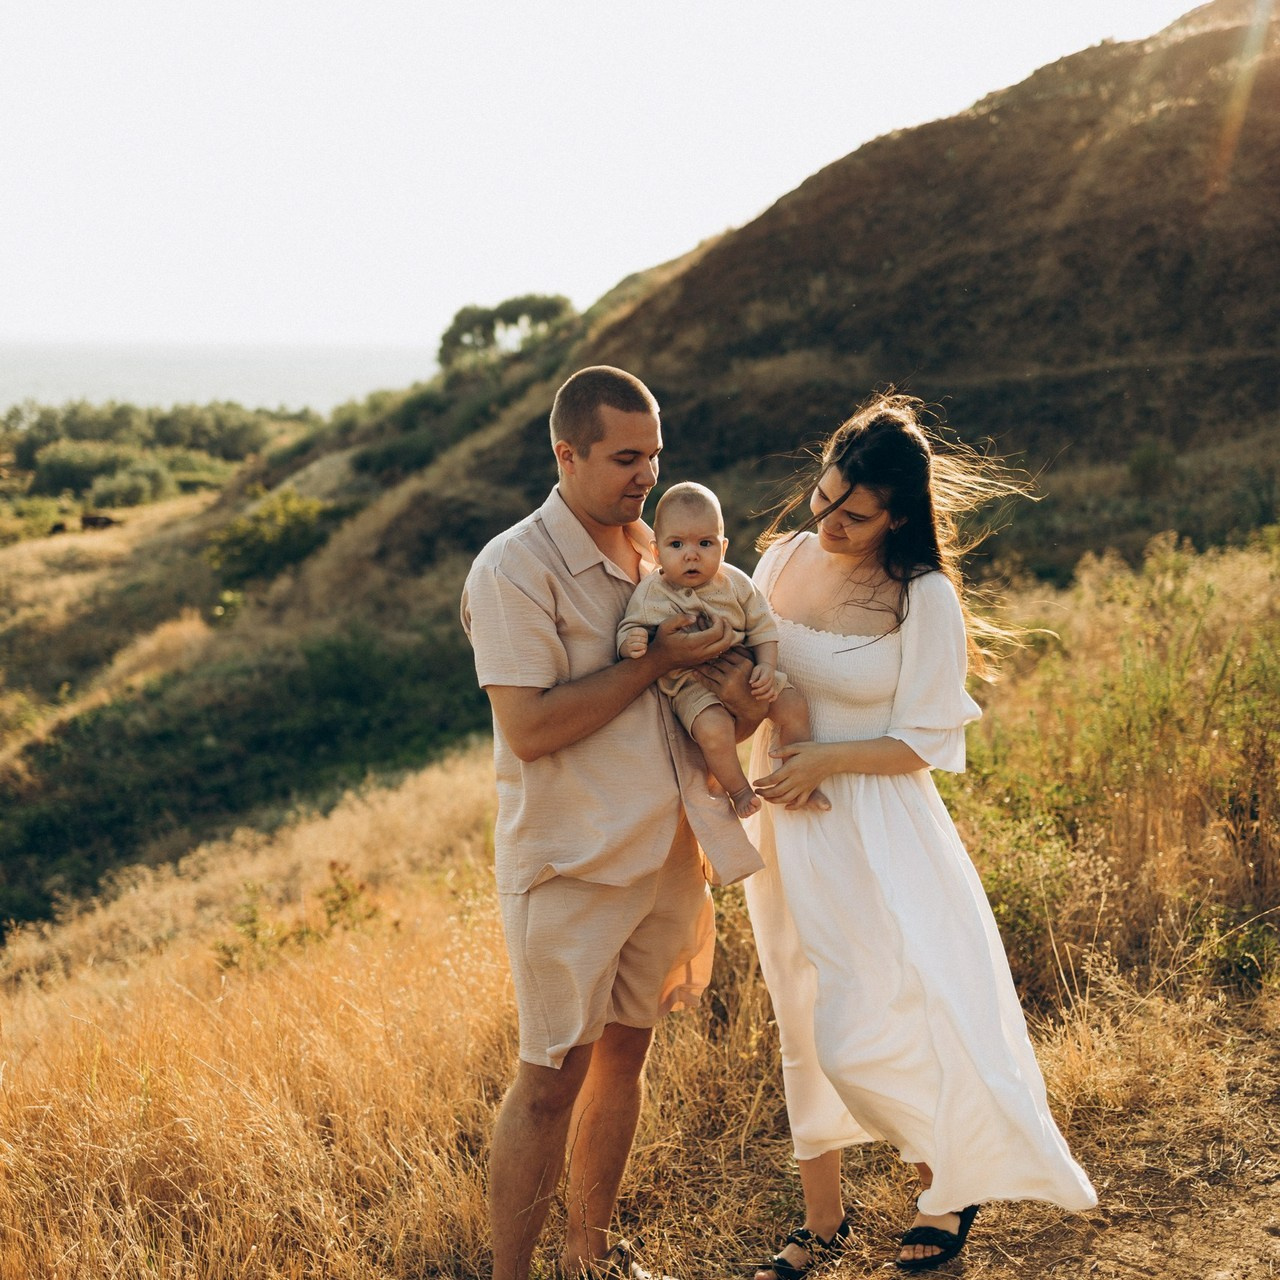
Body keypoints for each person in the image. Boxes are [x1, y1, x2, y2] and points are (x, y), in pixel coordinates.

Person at [736, 393, 1097, 1276]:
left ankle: (948, 1179)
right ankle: (822, 1218)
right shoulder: (779, 558)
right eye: (824, 498)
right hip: (785, 829)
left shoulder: (922, 596)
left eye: (855, 515)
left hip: (877, 831)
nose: (829, 521)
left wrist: (820, 759)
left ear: (897, 514)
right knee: (800, 1009)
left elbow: (926, 744)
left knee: (887, 1013)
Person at [460, 366, 765, 1280]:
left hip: (670, 852)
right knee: (550, 1081)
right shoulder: (515, 567)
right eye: (626, 458)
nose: (647, 474)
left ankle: (587, 1259)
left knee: (626, 1058)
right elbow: (531, 726)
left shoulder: (663, 552)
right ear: (567, 454)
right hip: (573, 866)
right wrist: (653, 662)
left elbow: (694, 702)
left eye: (655, 455)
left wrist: (739, 698)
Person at [617, 481, 827, 819]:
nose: (691, 554)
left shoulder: (736, 583)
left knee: (794, 705)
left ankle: (800, 780)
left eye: (705, 543)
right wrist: (633, 642)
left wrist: (767, 668)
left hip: (746, 671)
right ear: (656, 553)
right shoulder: (652, 593)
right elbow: (631, 627)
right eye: (676, 544)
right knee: (713, 730)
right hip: (692, 686)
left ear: (723, 547)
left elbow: (762, 628)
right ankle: (740, 791)